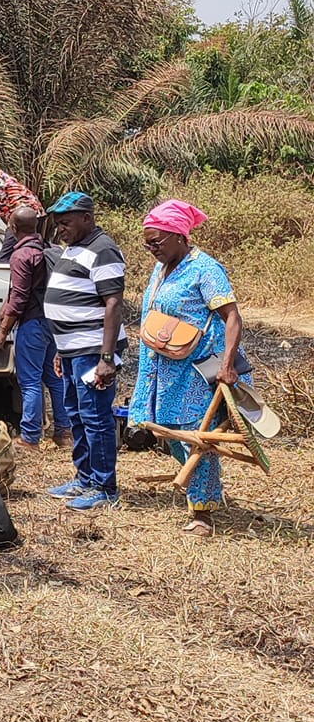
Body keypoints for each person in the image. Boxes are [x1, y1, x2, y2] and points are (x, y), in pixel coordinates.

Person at [127, 200, 246, 535]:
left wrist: (227, 365)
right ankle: (203, 489)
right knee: (168, 431)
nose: (151, 249)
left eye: (156, 242)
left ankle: (202, 512)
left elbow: (232, 317)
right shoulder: (162, 268)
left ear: (179, 236)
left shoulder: (205, 269)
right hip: (161, 369)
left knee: (196, 436)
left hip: (196, 370)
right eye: (147, 244)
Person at [42, 190, 126, 512]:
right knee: (76, 414)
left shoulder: (103, 250)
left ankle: (105, 487)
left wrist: (107, 358)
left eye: (65, 223)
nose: (60, 229)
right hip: (71, 350)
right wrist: (60, 349)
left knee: (95, 417)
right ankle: (85, 477)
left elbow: (113, 303)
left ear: (87, 218)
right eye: (57, 224)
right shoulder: (74, 248)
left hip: (93, 351)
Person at [0, 203, 72, 450]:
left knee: (29, 381)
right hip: (52, 323)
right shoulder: (50, 250)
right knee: (55, 379)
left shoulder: (21, 255)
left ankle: (30, 437)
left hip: (32, 324)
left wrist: (3, 330)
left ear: (13, 228)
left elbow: (20, 297)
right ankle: (64, 433)